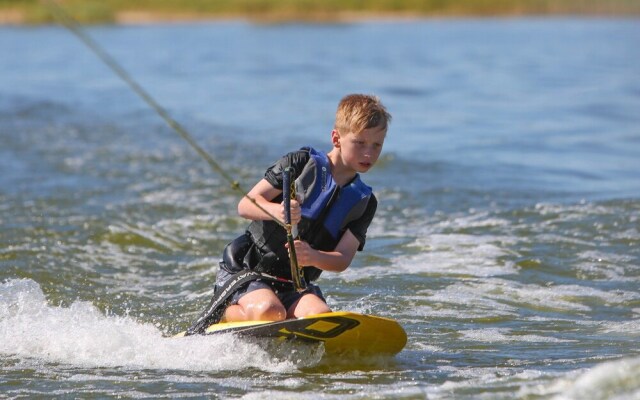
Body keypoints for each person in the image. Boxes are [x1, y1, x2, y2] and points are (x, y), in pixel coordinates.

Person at [186, 94, 391, 334]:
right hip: (248, 270)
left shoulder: (364, 202)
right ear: (336, 138)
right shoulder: (300, 163)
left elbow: (342, 259)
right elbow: (245, 204)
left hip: (293, 283)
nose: (368, 153)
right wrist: (276, 210)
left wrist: (313, 256)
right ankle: (226, 311)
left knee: (321, 318)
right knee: (270, 312)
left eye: (376, 145)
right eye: (360, 143)